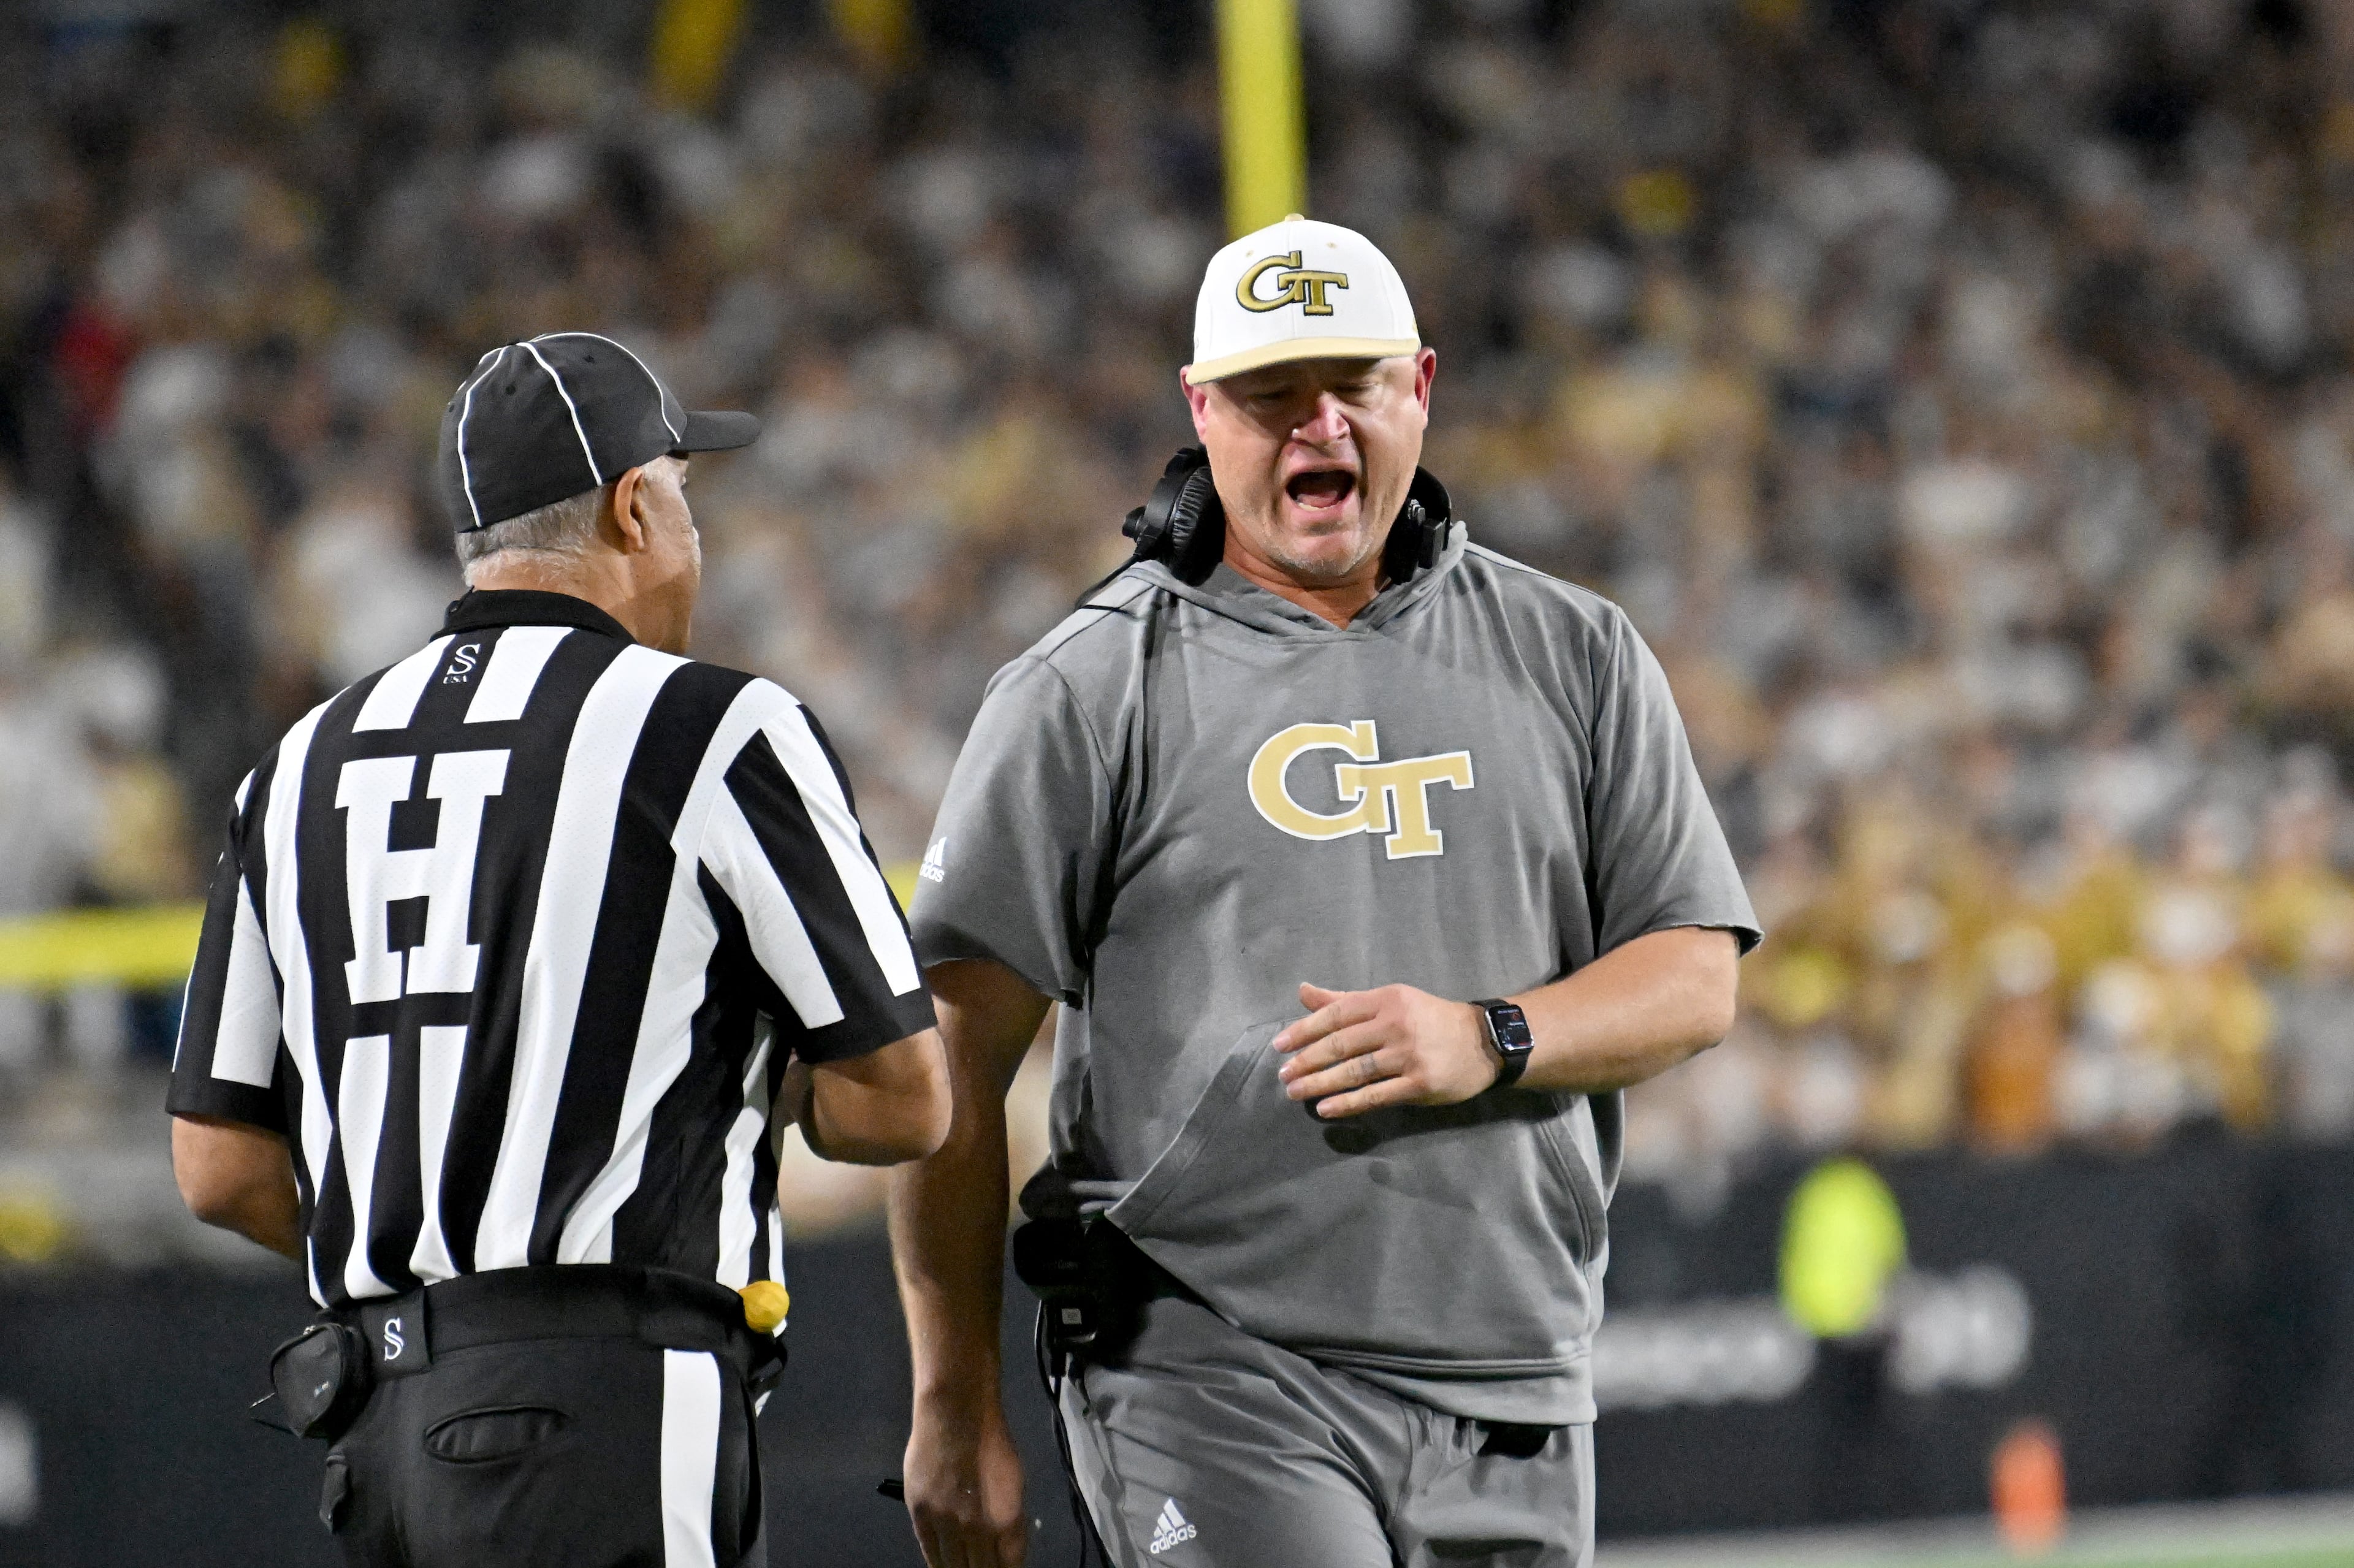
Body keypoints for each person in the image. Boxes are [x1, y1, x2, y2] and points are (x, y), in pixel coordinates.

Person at [888, 216, 1758, 1568]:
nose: (1318, 428)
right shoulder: (1085, 689)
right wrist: (953, 1406)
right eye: (1270, 395)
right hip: (1210, 1360)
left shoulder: (1576, 651)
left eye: (1350, 385)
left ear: (1421, 387)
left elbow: (1697, 973)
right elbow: (956, 1048)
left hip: (1517, 1372)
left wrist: (1489, 1035)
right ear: (1200, 411)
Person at [168, 331, 950, 1567]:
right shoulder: (713, 725)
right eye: (687, 500)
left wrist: (441, 1246)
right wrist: (765, 1084)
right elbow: (904, 1099)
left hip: (378, 1417)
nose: (697, 539)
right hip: (609, 1399)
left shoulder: (299, 761)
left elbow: (218, 1165)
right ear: (637, 508)